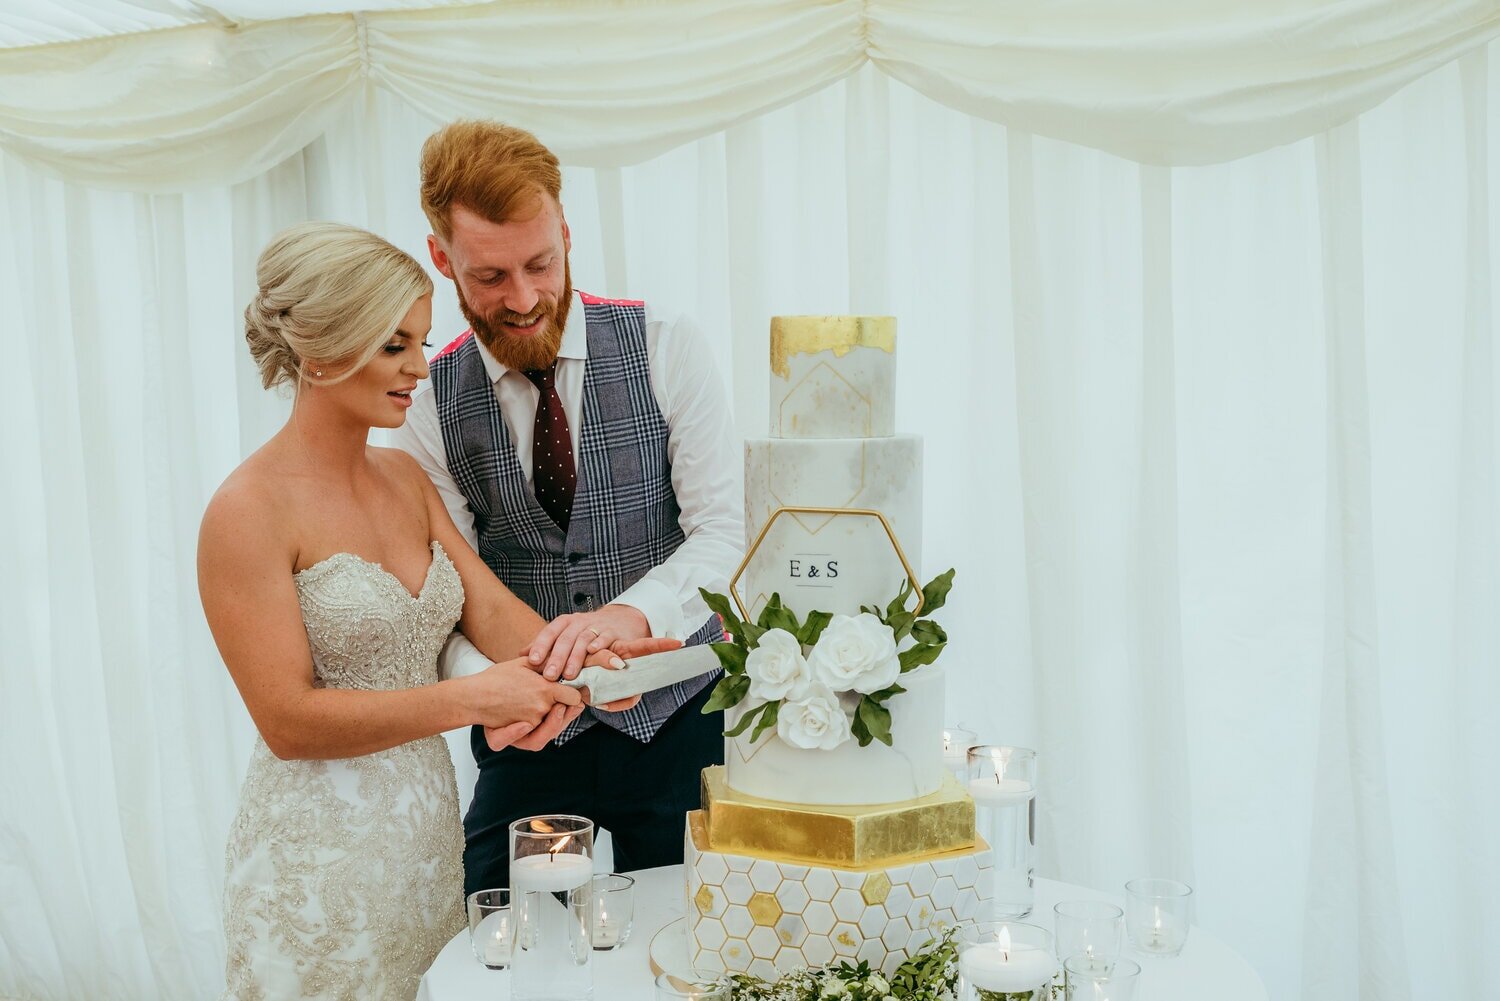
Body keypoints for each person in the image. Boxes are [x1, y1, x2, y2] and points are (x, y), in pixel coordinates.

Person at [200, 222, 664, 1000]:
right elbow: (286, 720)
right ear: (319, 349)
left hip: (422, 844)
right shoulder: (245, 510)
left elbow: (493, 614)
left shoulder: (405, 480)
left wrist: (601, 651)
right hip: (315, 865)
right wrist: (474, 700)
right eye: (394, 346)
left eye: (421, 340)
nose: (421, 367)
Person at [391, 120, 743, 893]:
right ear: (442, 258)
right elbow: (448, 589)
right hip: (529, 744)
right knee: (515, 940)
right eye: (489, 277)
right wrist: (487, 686)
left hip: (678, 725)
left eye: (541, 264)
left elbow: (725, 531)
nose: (522, 299)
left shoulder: (666, 345)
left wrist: (635, 613)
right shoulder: (425, 406)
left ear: (567, 234)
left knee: (691, 937)